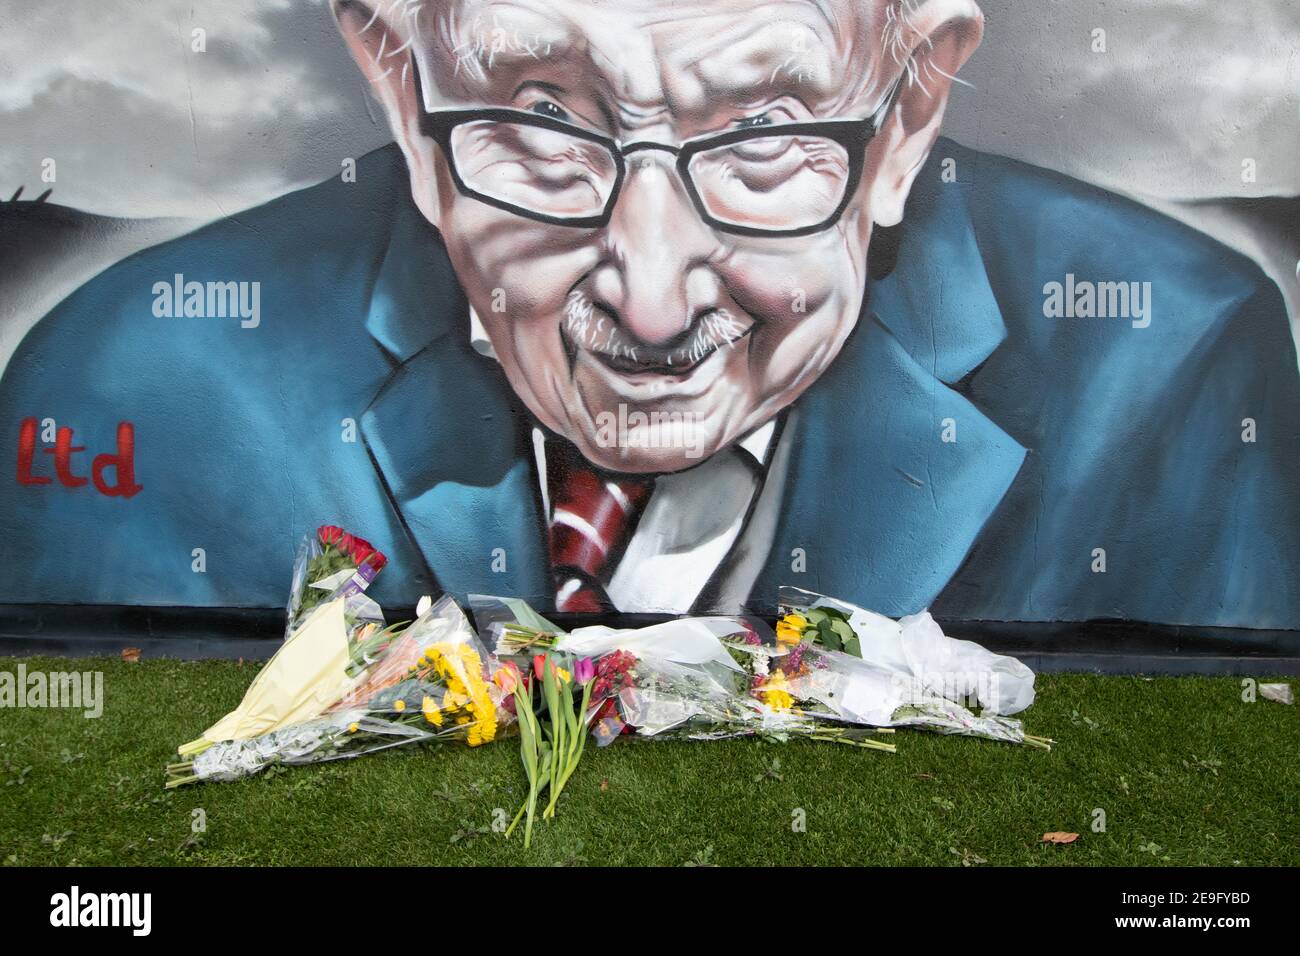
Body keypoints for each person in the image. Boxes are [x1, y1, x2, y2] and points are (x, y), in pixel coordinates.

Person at [2, 0, 1296, 628]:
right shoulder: (139, 396)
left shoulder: (1168, 371)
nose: (654, 291)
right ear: (401, 89)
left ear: (908, 112)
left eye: (766, 133)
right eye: (542, 120)